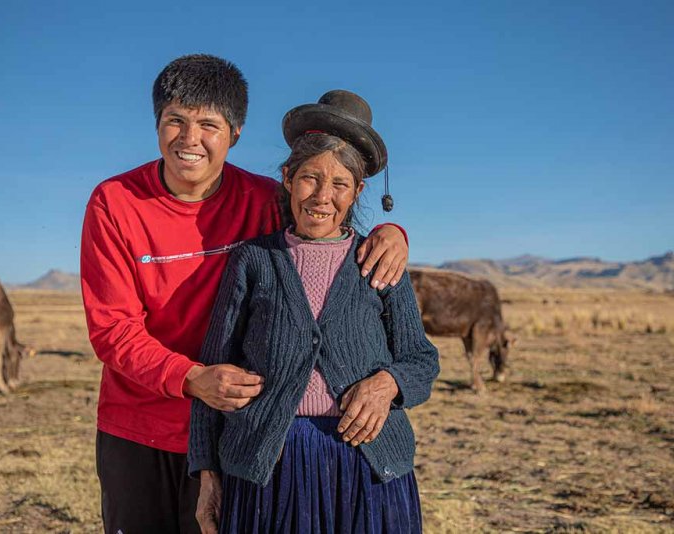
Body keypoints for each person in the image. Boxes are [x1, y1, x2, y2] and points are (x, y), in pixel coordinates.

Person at [80, 55, 409, 534]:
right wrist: (192, 377)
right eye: (176, 121)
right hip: (139, 426)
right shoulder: (115, 201)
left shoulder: (261, 198)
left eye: (208, 125)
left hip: (236, 432)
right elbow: (111, 329)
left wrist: (393, 232)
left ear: (234, 134)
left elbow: (324, 221)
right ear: (156, 125)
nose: (190, 140)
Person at [189, 90, 439, 534]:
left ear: (358, 191)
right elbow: (215, 371)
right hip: (269, 468)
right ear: (287, 178)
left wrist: (388, 385)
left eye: (340, 184)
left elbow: (421, 359)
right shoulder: (254, 260)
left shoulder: (379, 263)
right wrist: (208, 475)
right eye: (309, 178)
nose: (322, 196)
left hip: (368, 465)